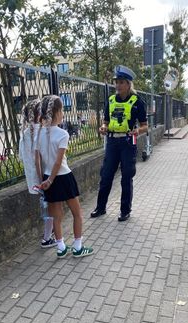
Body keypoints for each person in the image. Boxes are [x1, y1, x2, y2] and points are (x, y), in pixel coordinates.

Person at [36, 95, 93, 258]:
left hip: (48, 178)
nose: (63, 114)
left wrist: (44, 180)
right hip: (63, 177)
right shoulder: (62, 134)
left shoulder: (39, 134)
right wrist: (50, 179)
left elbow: (38, 160)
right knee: (77, 213)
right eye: (61, 110)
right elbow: (58, 162)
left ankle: (61, 247)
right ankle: (77, 247)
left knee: (56, 216)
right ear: (57, 112)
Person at [91, 65, 148, 221]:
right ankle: (101, 207)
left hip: (128, 143)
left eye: (121, 82)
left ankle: (125, 210)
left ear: (128, 84)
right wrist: (103, 127)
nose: (117, 85)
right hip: (112, 142)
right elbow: (106, 121)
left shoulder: (137, 102)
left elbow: (145, 125)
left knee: (126, 177)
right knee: (106, 175)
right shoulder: (110, 100)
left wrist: (138, 131)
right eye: (116, 82)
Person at [19, 99, 56, 249]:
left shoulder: (25, 133)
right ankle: (47, 238)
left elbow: (22, 157)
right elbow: (41, 159)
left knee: (45, 206)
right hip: (44, 177)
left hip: (33, 180)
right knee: (49, 207)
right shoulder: (42, 131)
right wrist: (44, 180)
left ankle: (49, 233)